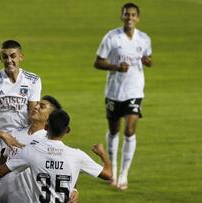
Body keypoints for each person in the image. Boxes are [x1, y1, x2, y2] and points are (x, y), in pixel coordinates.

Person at [0, 109, 112, 203]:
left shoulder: (31, 151)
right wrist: (103, 154)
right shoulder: (77, 156)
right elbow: (108, 174)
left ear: (46, 127)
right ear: (67, 130)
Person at [93, 2, 153, 190]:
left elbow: (148, 59)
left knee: (129, 130)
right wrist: (116, 67)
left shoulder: (144, 38)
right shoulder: (112, 37)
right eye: (127, 14)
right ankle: (113, 169)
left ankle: (123, 174)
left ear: (138, 18)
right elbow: (97, 62)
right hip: (114, 92)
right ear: (122, 16)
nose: (130, 18)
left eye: (133, 15)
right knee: (113, 131)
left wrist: (147, 61)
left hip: (134, 91)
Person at [0, 40, 42, 133]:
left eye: (13, 56)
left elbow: (32, 113)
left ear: (21, 57)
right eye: (5, 57)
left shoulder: (33, 80)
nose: (9, 60)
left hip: (23, 134)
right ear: (0, 59)